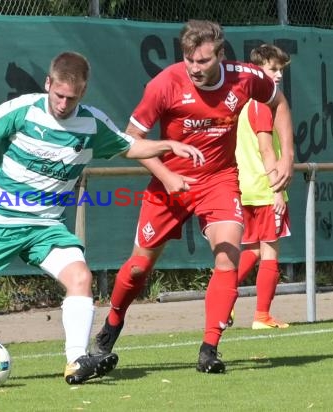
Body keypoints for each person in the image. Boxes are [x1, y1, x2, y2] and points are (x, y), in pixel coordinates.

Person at [0, 51, 205, 384]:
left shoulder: (91, 123)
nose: (63, 103)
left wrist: (168, 145)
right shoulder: (23, 110)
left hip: (46, 227)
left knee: (80, 278)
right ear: (48, 83)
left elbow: (130, 147)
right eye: (58, 95)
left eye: (71, 97)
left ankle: (76, 360)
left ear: (83, 92)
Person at [92, 20, 294, 374]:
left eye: (202, 61)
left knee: (229, 255)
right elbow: (130, 141)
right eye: (189, 60)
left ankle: (209, 348)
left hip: (219, 180)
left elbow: (277, 102)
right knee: (139, 267)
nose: (194, 68)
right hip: (170, 184)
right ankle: (112, 323)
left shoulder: (244, 77)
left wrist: (287, 156)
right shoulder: (165, 84)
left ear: (220, 55)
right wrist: (168, 175)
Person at [235, 44, 292, 329]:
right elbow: (267, 150)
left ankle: (222, 296)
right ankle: (262, 316)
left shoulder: (244, 103)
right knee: (270, 251)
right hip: (263, 188)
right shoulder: (262, 105)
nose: (279, 75)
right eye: (273, 69)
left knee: (253, 250)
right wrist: (277, 189)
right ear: (258, 70)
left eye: (281, 69)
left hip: (246, 187)